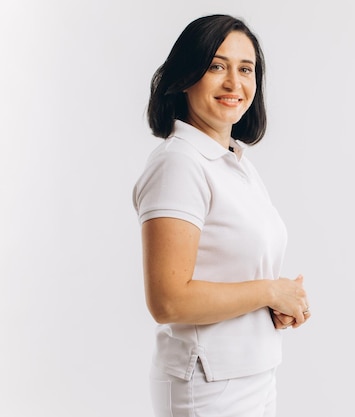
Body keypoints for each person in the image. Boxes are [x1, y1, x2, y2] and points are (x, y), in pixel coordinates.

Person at [132, 14, 311, 417]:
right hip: (208, 384)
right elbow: (168, 301)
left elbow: (230, 272)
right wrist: (269, 291)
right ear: (185, 77)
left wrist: (276, 303)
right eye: (216, 66)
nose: (234, 83)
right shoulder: (179, 163)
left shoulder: (234, 163)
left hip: (256, 373)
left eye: (245, 69)